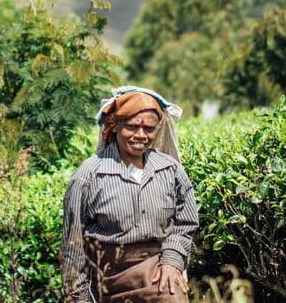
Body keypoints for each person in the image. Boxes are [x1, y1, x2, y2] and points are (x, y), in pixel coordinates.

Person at [61, 86, 199, 303]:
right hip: (108, 277)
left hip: (157, 269)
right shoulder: (88, 176)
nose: (141, 136)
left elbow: (187, 222)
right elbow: (73, 244)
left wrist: (172, 261)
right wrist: (79, 297)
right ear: (115, 126)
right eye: (132, 127)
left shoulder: (170, 170)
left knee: (172, 297)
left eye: (149, 129)